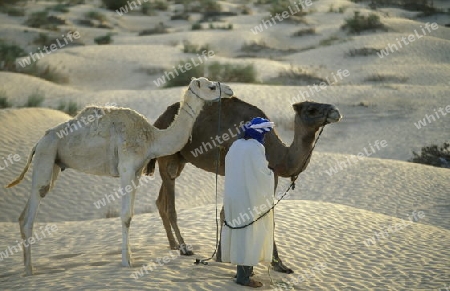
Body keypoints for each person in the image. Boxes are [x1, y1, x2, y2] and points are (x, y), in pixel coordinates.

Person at [221, 117, 275, 288]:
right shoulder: (255, 148)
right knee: (249, 232)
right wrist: (271, 175)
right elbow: (261, 173)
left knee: (241, 232)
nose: (264, 138)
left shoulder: (235, 146)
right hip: (248, 199)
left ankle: (243, 271)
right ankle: (243, 278)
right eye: (264, 134)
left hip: (233, 197)